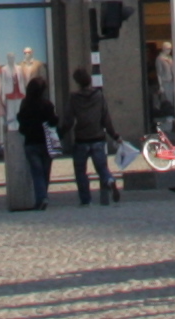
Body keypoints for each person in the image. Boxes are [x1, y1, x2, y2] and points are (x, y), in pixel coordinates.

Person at [63, 69, 121, 208]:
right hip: (98, 137)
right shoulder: (99, 95)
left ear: (77, 82)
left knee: (80, 171)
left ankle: (86, 200)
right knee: (101, 167)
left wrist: (60, 133)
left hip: (81, 138)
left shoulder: (74, 97)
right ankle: (109, 180)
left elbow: (69, 120)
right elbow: (106, 118)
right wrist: (114, 135)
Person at [12, 68, 60, 213]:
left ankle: (42, 198)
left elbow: (22, 124)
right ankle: (43, 196)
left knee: (37, 172)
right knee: (45, 172)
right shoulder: (47, 105)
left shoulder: (25, 104)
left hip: (31, 143)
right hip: (46, 142)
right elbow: (53, 122)